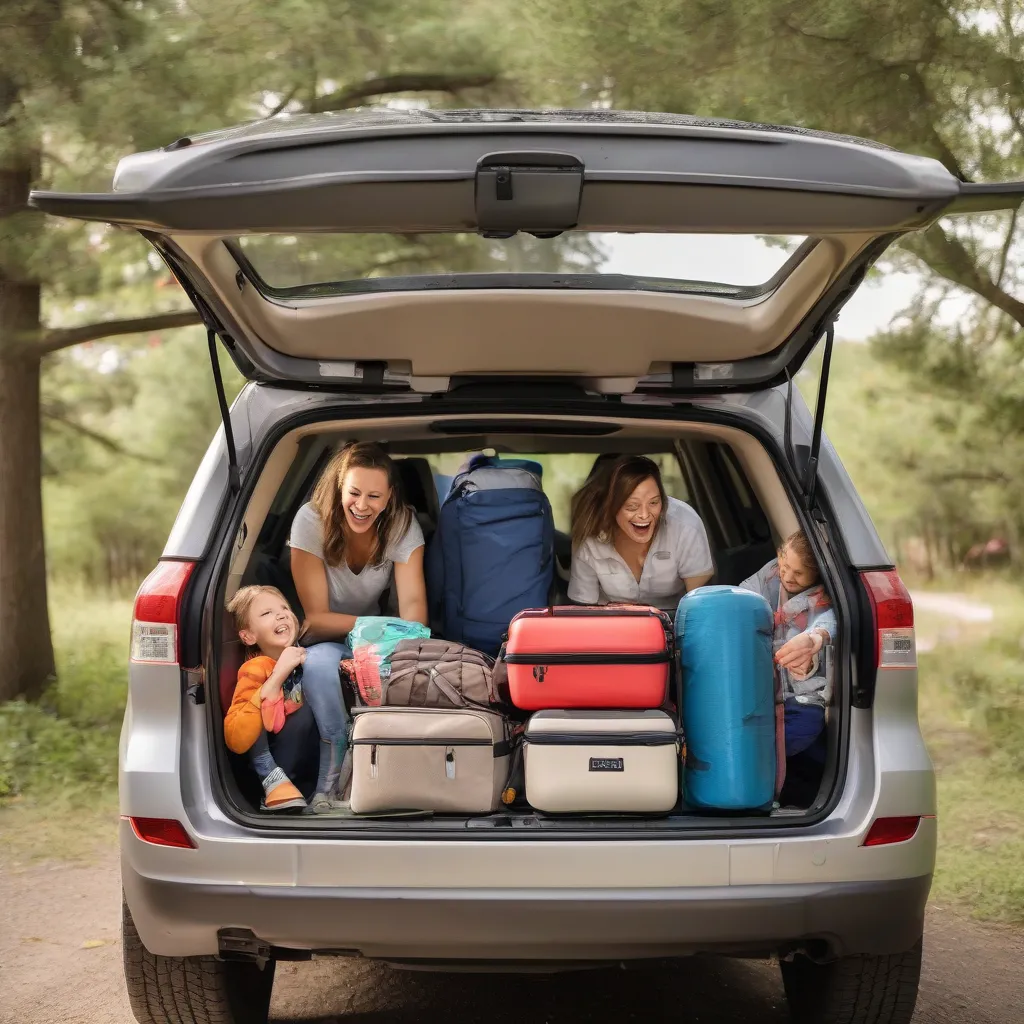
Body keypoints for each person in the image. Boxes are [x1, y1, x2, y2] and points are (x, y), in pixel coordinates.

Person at [290, 442, 428, 812]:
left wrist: (382, 631)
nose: (362, 505)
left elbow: (416, 619)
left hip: (377, 642)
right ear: (339, 489)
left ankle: (394, 783)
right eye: (353, 493)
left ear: (389, 498)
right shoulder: (311, 520)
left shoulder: (401, 525)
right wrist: (383, 625)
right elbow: (317, 618)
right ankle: (329, 783)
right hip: (327, 639)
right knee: (319, 667)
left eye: (374, 496)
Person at [567, 454, 714, 613]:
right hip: (611, 627)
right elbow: (584, 613)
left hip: (677, 624)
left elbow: (700, 610)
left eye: (654, 502)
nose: (644, 515)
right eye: (632, 506)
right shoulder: (589, 537)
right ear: (611, 507)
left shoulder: (685, 525)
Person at [739, 530, 836, 760]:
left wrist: (816, 637)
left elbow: (832, 620)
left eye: (799, 573)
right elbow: (740, 597)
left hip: (804, 694)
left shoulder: (822, 599)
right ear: (780, 555)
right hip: (764, 688)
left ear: (818, 572)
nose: (789, 576)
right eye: (786, 565)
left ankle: (769, 769)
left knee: (804, 731)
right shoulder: (770, 576)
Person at [223, 585, 319, 812]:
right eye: (266, 613)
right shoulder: (256, 668)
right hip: (279, 770)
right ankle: (272, 780)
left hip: (308, 771)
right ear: (248, 636)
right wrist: (278, 676)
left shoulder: (309, 658)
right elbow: (236, 737)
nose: (281, 614)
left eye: (285, 608)